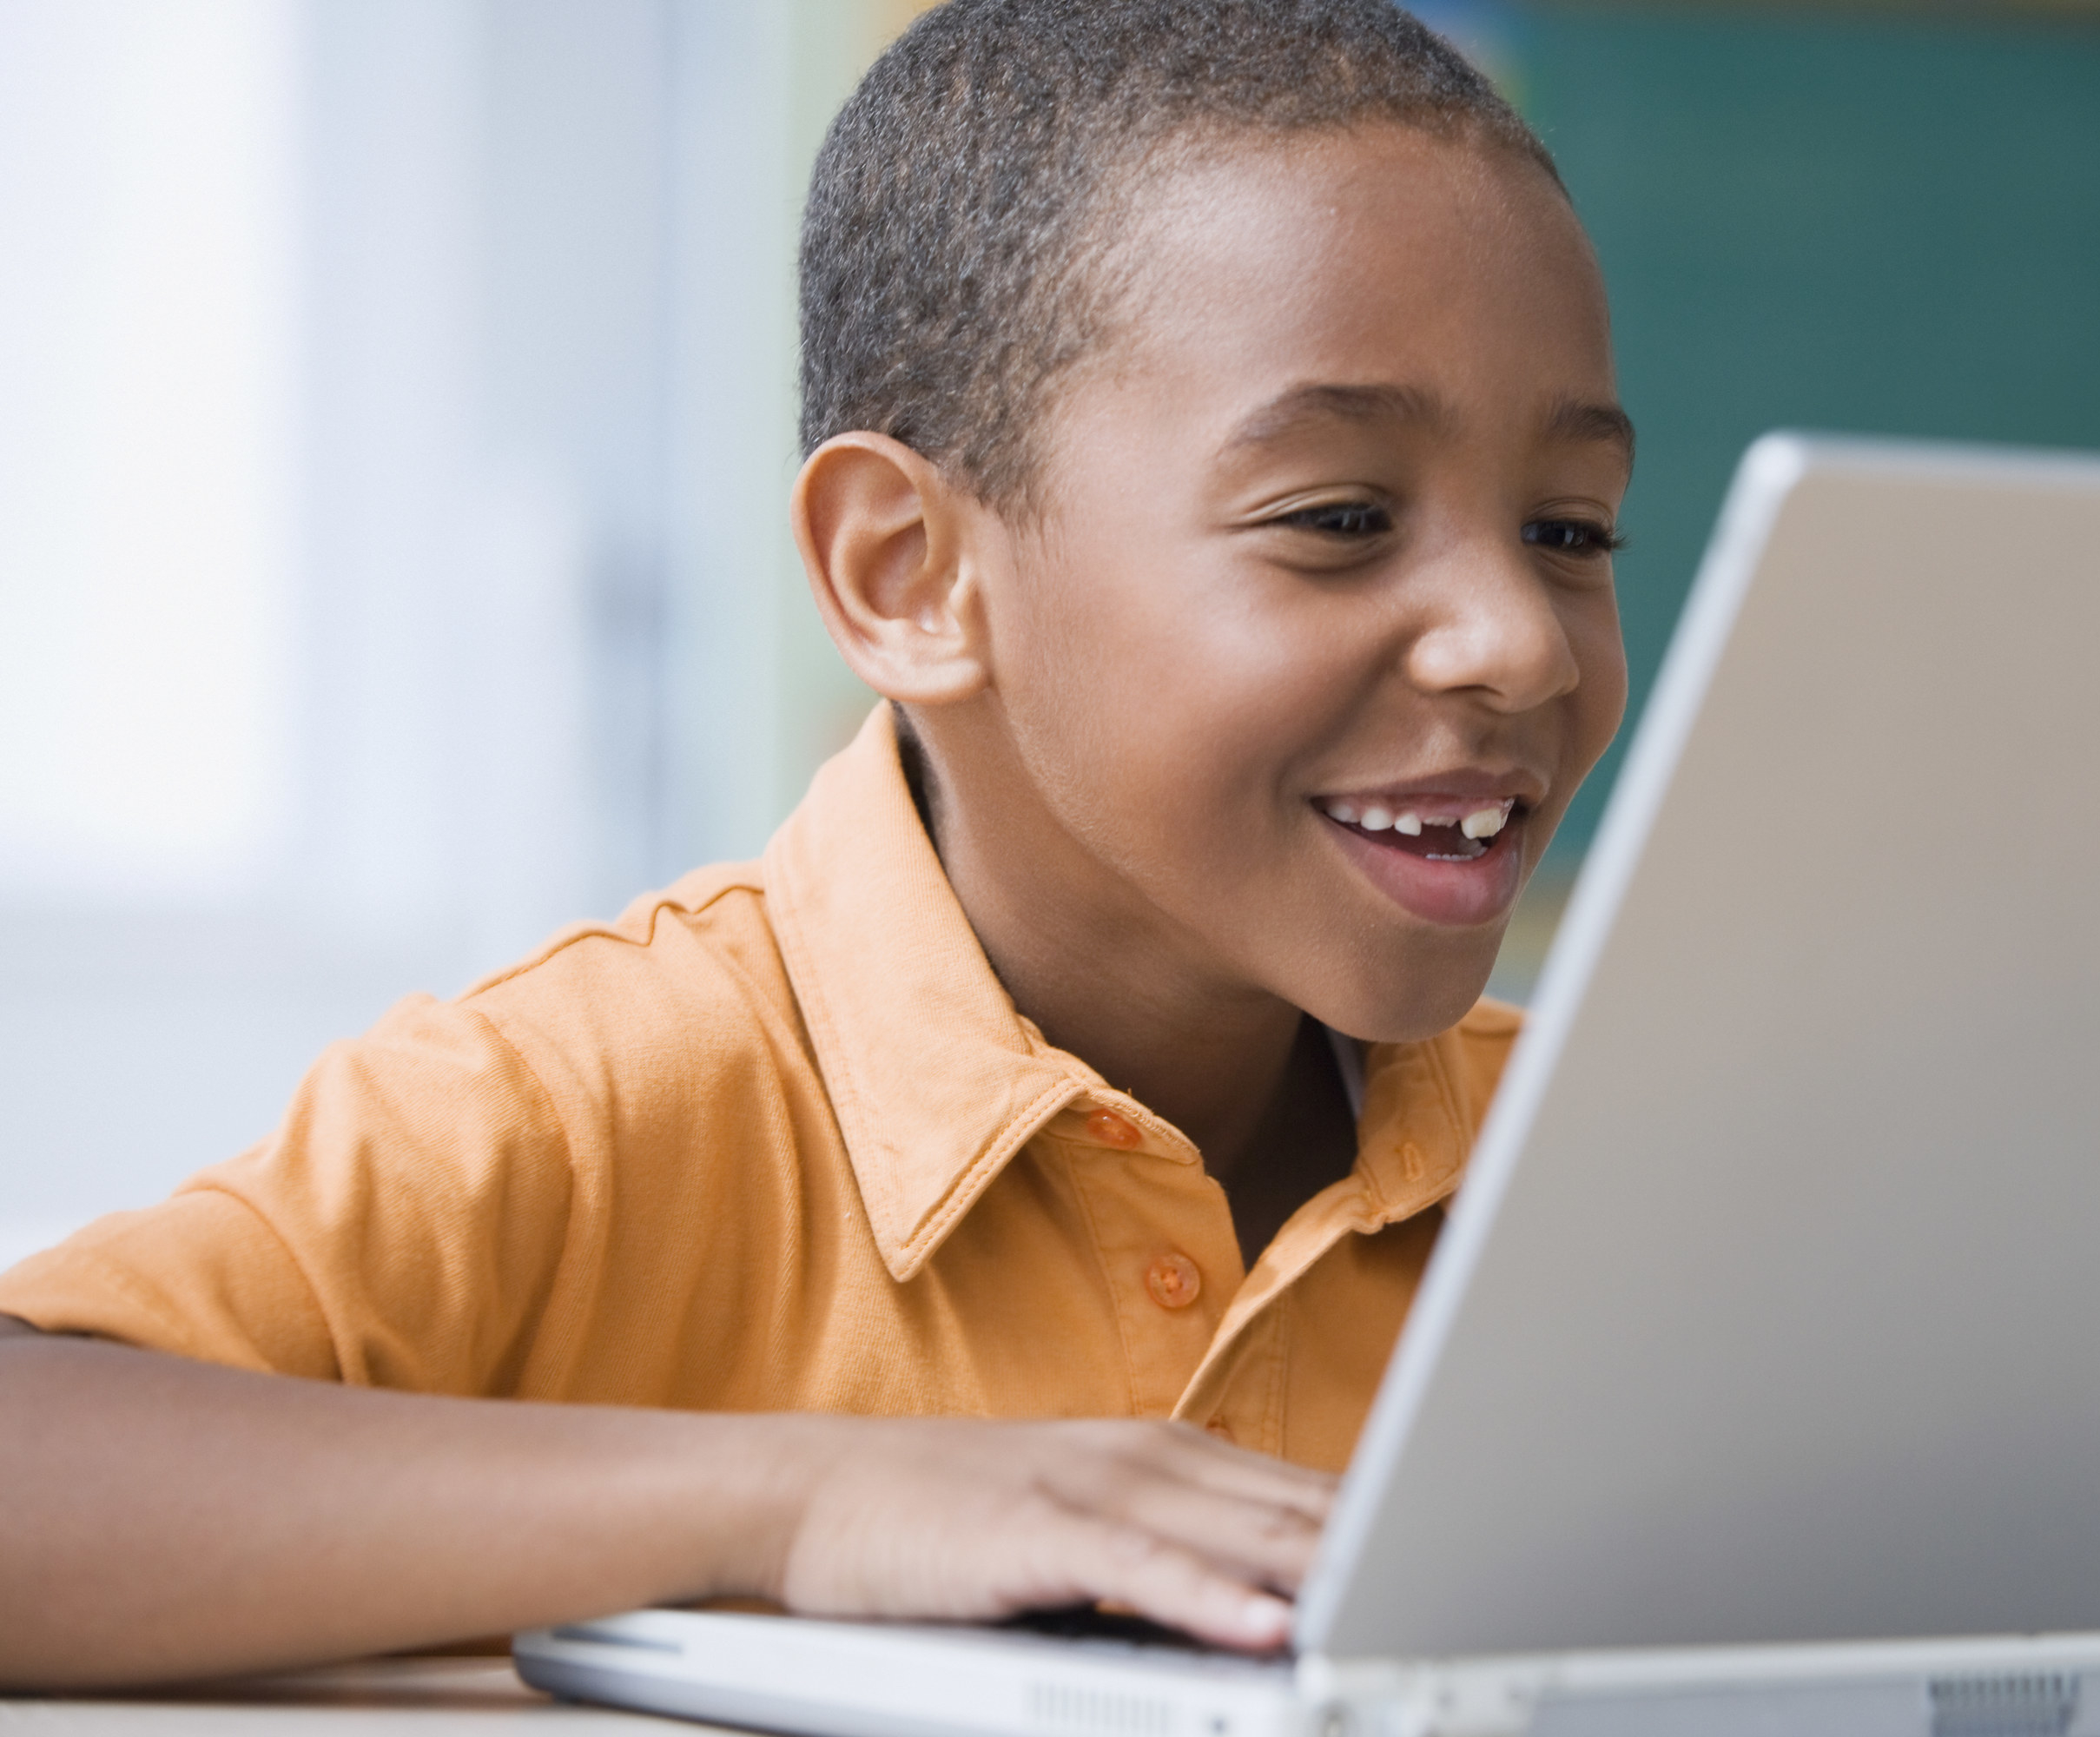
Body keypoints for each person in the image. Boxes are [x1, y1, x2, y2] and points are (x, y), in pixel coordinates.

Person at [0, 0, 1631, 1689]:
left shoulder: (1625, 1168)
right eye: (1340, 521)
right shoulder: (589, 1099)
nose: (1521, 640)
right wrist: (806, 1494)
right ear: (908, 576)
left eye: (1571, 530)